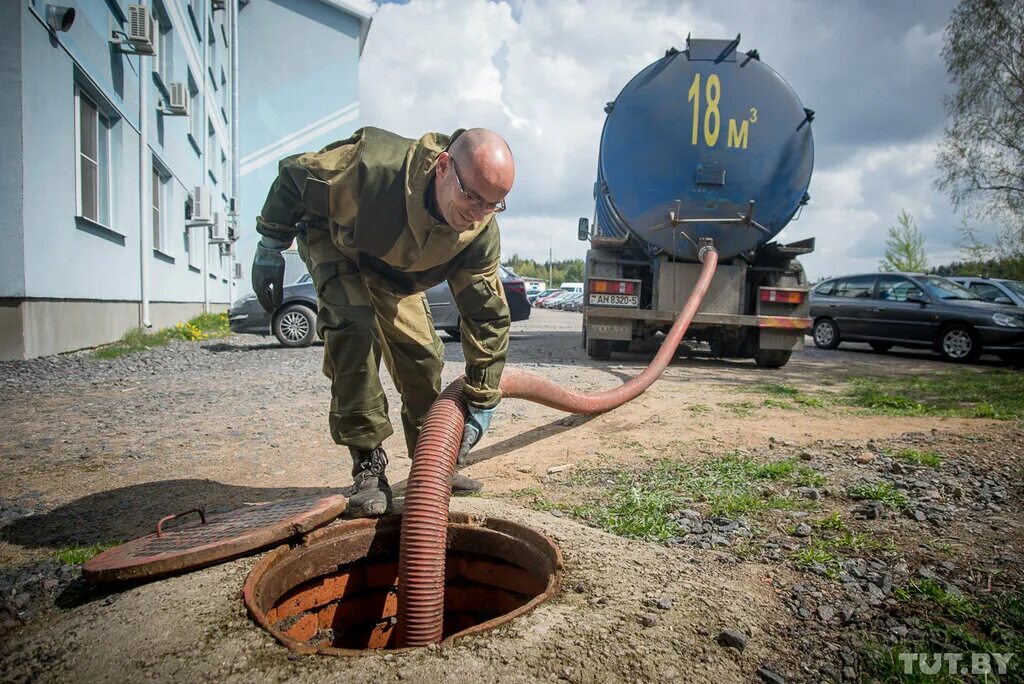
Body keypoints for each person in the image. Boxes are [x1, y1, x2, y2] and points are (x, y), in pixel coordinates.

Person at [251, 127, 514, 518]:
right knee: (355, 330)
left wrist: (481, 401)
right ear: (443, 167)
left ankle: (435, 461)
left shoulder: (478, 232)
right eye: (471, 196)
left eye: (492, 205)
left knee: (423, 357)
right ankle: (368, 467)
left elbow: (486, 317)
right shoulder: (371, 171)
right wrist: (271, 242)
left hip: (394, 272)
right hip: (338, 242)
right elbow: (294, 175)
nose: (477, 214)